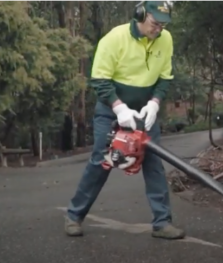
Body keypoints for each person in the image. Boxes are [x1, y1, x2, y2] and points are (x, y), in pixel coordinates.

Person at [64, 1, 186, 240]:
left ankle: (162, 223)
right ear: (140, 15)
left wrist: (155, 103)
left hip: (144, 113)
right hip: (113, 111)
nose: (158, 29)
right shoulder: (114, 39)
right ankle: (74, 216)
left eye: (163, 25)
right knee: (103, 161)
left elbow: (164, 78)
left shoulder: (166, 39)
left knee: (153, 162)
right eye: (154, 23)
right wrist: (119, 108)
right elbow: (99, 79)